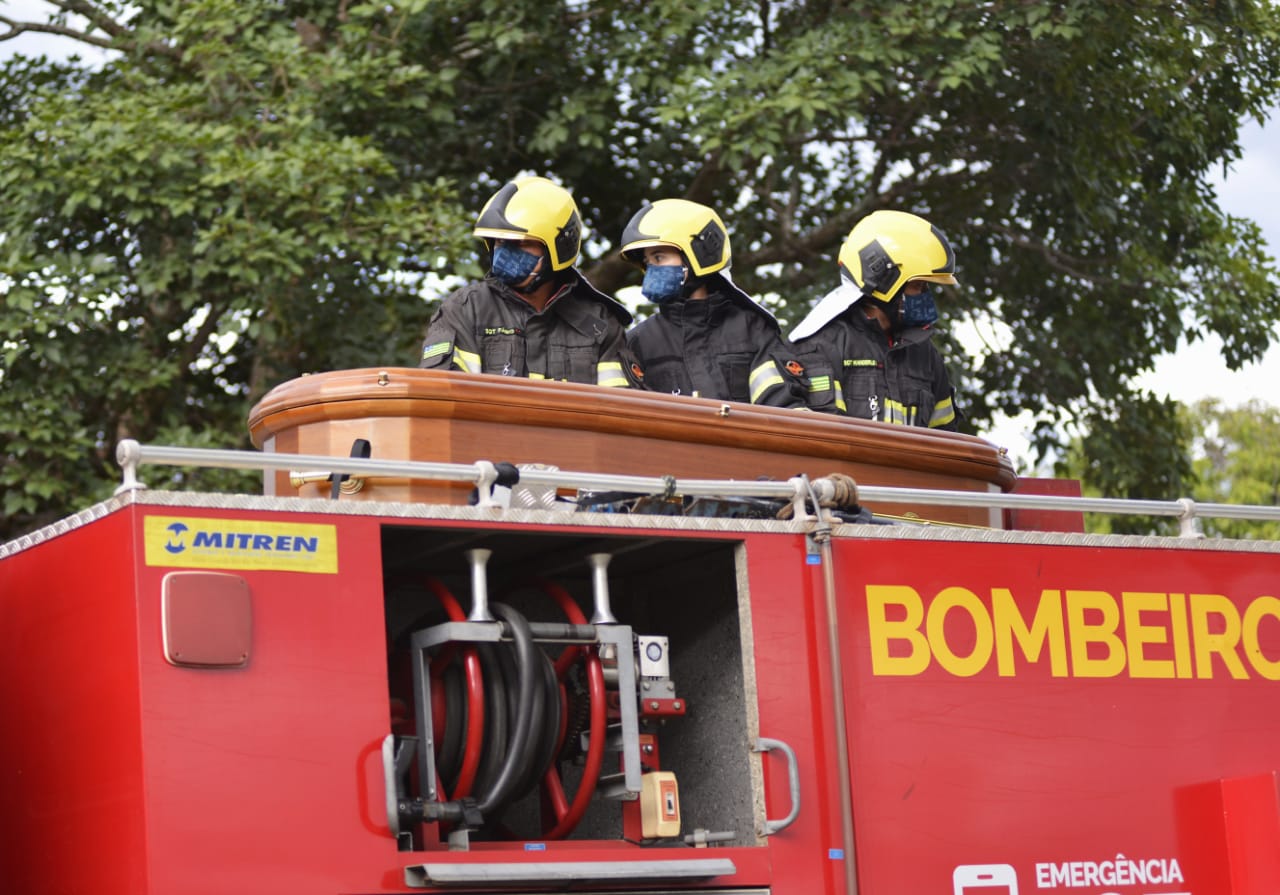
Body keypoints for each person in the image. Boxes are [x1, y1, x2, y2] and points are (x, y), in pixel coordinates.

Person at [419, 176, 642, 388]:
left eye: (521, 244)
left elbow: (619, 412)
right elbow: (440, 398)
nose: (506, 253)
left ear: (559, 248)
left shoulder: (599, 324)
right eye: (499, 242)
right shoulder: (466, 310)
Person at [619, 198, 810, 408]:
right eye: (647, 262)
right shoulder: (638, 342)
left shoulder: (752, 330)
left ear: (698, 254)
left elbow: (782, 409)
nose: (652, 270)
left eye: (659, 257)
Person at [789, 209, 962, 430]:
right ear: (882, 279)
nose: (924, 296)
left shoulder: (925, 355)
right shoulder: (821, 346)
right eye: (917, 286)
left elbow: (947, 446)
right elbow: (821, 441)